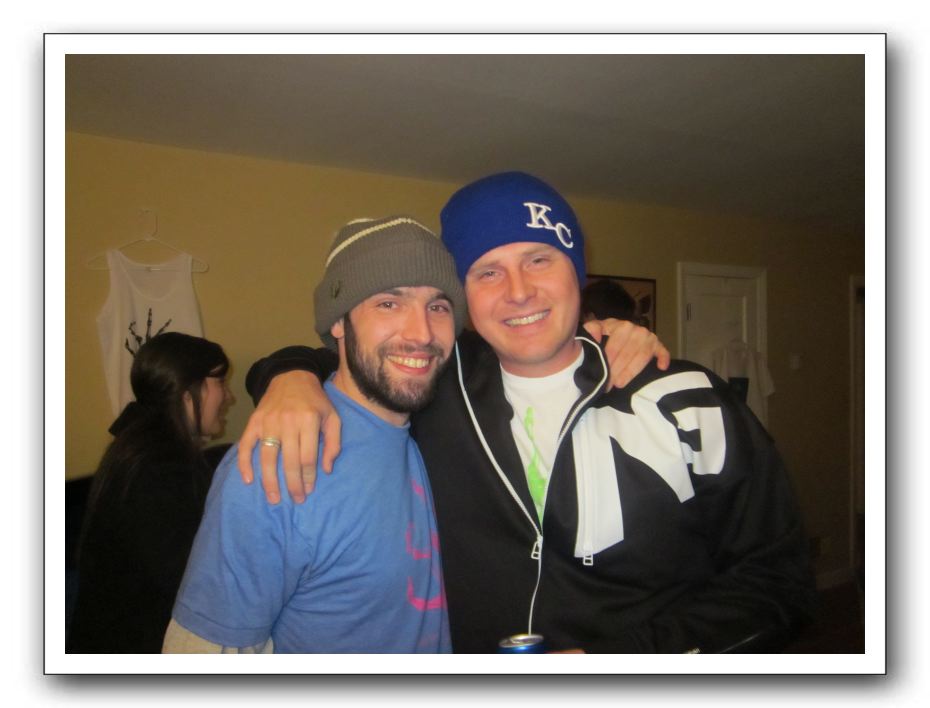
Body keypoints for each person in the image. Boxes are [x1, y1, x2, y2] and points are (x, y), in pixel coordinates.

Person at [241, 172, 816, 653]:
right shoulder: (434, 383)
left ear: (577, 273)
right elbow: (352, 356)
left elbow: (777, 582)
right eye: (487, 271)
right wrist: (288, 377)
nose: (517, 291)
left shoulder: (688, 400)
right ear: (464, 298)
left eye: (539, 259)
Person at [163, 216, 463, 653]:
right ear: (338, 321)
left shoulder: (434, 425)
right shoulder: (276, 463)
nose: (422, 334)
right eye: (388, 303)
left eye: (438, 306)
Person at [67, 332, 232, 653]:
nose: (228, 396)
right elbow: (193, 581)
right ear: (188, 391)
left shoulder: (140, 445)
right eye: (221, 383)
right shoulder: (159, 470)